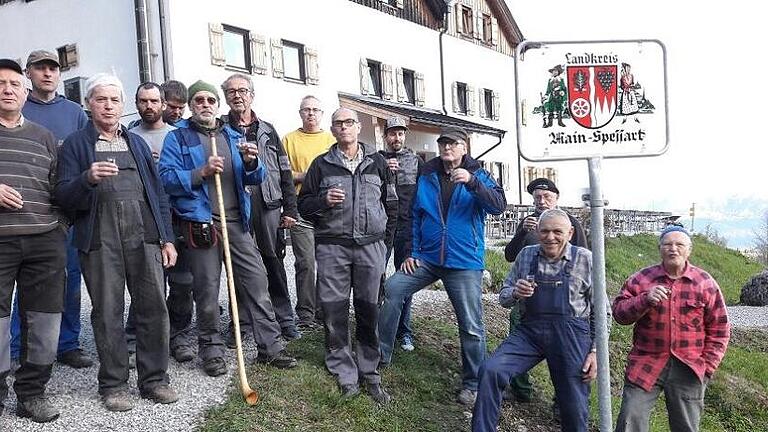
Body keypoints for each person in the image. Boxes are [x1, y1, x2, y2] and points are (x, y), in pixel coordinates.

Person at [55, 73, 179, 411]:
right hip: (100, 238)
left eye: (114, 100)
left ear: (122, 106)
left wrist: (166, 238)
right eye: (101, 99)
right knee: (107, 312)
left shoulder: (137, 143)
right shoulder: (75, 145)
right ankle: (113, 385)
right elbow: (63, 196)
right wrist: (87, 178)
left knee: (154, 307)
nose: (108, 106)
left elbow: (158, 194)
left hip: (145, 236)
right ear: (89, 104)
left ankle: (154, 380)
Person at [158, 79, 297, 377]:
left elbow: (255, 177)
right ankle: (212, 350)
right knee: (207, 290)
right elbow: (167, 179)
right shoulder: (178, 138)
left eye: (210, 100)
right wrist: (201, 172)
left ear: (217, 105)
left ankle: (270, 347)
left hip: (236, 221)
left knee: (257, 281)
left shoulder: (232, 135)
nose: (205, 105)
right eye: (199, 101)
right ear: (191, 106)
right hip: (201, 223)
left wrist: (251, 163)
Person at [378, 125, 506, 406]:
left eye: (453, 144)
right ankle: (380, 354)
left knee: (471, 325)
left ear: (464, 148)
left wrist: (473, 183)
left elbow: (499, 206)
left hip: (464, 262)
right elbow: (413, 215)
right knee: (393, 288)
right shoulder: (427, 173)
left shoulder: (480, 175)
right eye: (443, 144)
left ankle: (472, 383)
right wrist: (411, 251)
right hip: (427, 259)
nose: (447, 148)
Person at [297, 108, 397, 404]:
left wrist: (385, 245)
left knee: (369, 309)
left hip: (371, 247)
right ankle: (343, 369)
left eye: (349, 122)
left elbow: (392, 206)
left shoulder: (377, 163)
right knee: (334, 310)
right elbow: (304, 206)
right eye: (338, 123)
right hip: (332, 247)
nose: (344, 128)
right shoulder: (321, 165)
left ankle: (369, 369)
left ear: (357, 127)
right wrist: (323, 201)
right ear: (333, 129)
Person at [472, 209, 601, 432]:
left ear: (570, 233)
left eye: (557, 232)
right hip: (530, 332)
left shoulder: (585, 259)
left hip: (571, 335)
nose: (550, 237)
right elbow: (503, 297)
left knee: (574, 404)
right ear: (538, 231)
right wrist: (515, 293)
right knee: (491, 370)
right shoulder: (526, 255)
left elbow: (602, 311)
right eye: (545, 231)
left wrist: (595, 352)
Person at [7, 50, 92, 371]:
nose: (47, 73)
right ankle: (18, 344)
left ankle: (68, 343)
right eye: (40, 68)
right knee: (20, 285)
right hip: (17, 215)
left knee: (68, 280)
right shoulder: (15, 106)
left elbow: (87, 153)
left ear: (59, 73)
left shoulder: (74, 112)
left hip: (62, 214)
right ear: (28, 74)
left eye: (52, 68)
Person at [613, 225, 730, 432]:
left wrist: (708, 366)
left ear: (689, 250)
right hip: (646, 363)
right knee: (630, 420)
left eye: (679, 244)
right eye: (667, 244)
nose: (673, 249)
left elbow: (720, 328)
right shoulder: (642, 279)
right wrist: (644, 300)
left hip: (689, 367)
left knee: (685, 427)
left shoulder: (705, 283)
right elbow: (619, 314)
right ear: (660, 249)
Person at [0, 58, 66, 423]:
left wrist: (60, 227)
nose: (8, 89)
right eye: (0, 83)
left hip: (44, 241)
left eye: (14, 83)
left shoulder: (43, 136)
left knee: (44, 321)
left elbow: (59, 186)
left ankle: (32, 392)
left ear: (25, 92)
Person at [220, 73, 299, 343]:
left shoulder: (268, 130)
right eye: (231, 91)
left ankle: (284, 318)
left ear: (252, 95)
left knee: (273, 261)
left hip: (267, 204)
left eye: (242, 90)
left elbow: (285, 172)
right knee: (238, 265)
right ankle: (240, 324)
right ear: (226, 97)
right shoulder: (219, 129)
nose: (237, 95)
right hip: (234, 205)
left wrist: (290, 209)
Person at [502, 177, 587, 405]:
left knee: (567, 355)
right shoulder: (528, 222)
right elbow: (510, 255)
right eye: (537, 197)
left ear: (557, 198)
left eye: (547, 196)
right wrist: (522, 232)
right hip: (527, 294)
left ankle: (563, 402)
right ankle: (521, 390)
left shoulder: (569, 223)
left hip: (563, 298)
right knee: (517, 335)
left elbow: (584, 258)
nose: (542, 201)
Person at [128, 81, 195, 365]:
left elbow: (194, 172)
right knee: (146, 282)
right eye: (144, 101)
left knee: (182, 282)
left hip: (179, 216)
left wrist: (167, 165)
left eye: (154, 101)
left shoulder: (179, 136)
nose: (149, 106)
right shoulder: (129, 135)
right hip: (143, 218)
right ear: (137, 104)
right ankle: (135, 337)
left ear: (163, 104)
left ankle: (177, 336)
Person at [282, 95, 335, 330]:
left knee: (328, 262)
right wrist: (307, 176)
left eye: (315, 109)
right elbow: (282, 174)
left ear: (322, 114)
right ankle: (305, 312)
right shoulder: (289, 140)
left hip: (327, 209)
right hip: (300, 209)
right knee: (305, 262)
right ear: (300, 113)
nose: (311, 113)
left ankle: (325, 310)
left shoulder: (331, 140)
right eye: (306, 110)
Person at [378, 116, 423, 352]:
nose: (397, 138)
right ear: (385, 136)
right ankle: (377, 327)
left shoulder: (416, 161)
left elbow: (424, 197)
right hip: (382, 227)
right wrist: (384, 172)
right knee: (376, 276)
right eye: (393, 133)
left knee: (405, 279)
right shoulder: (376, 159)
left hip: (407, 227)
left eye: (401, 133)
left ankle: (404, 331)